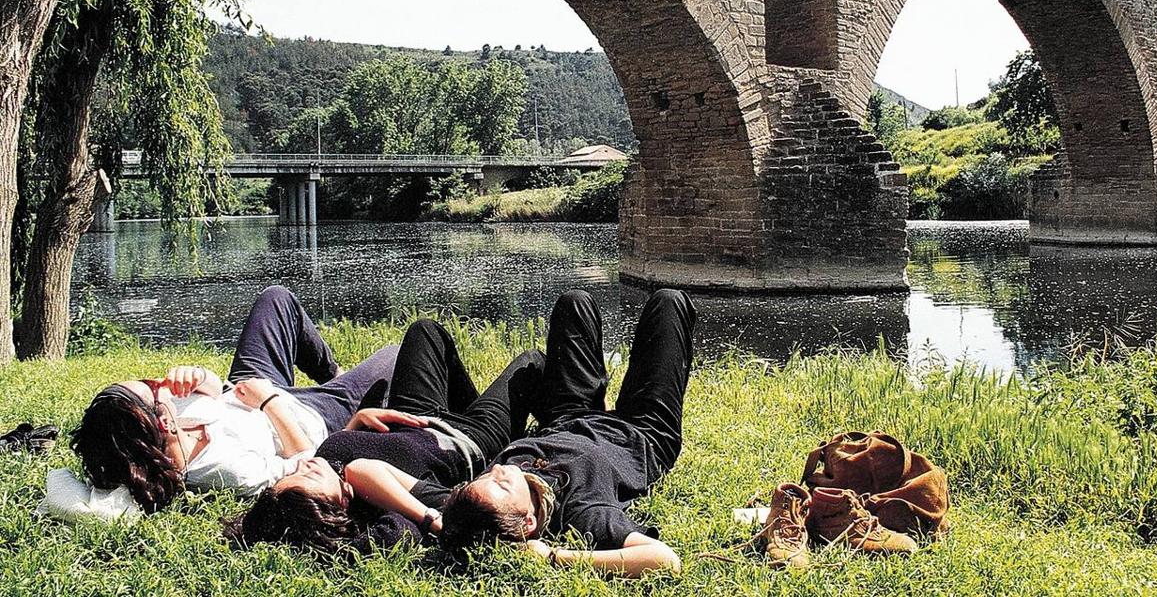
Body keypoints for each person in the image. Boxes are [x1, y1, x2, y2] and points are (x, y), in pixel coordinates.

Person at [432, 288, 695, 578]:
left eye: (487, 476)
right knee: (669, 302)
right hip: (641, 434)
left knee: (574, 302)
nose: (500, 472)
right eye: (503, 486)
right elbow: (664, 560)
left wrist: (432, 519)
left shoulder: (474, 505)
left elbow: (379, 474)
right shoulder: (579, 510)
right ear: (527, 523)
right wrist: (555, 556)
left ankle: (597, 395)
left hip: (568, 417)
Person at [70, 286, 407, 512]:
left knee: (277, 298)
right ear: (162, 421)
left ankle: (334, 376)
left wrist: (201, 378)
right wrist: (268, 403)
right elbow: (307, 458)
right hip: (303, 415)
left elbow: (216, 394)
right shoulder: (228, 471)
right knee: (396, 356)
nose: (161, 384)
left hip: (245, 391)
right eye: (152, 387)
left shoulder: (167, 422)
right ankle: (344, 393)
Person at [227, 317, 545, 554]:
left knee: (425, 331)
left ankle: (474, 404)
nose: (302, 465)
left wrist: (356, 422)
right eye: (307, 477)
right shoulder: (386, 506)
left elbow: (343, 456)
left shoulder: (329, 463)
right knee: (530, 364)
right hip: (465, 439)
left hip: (412, 413)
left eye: (296, 472)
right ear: (336, 505)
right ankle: (573, 419)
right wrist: (428, 518)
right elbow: (388, 536)